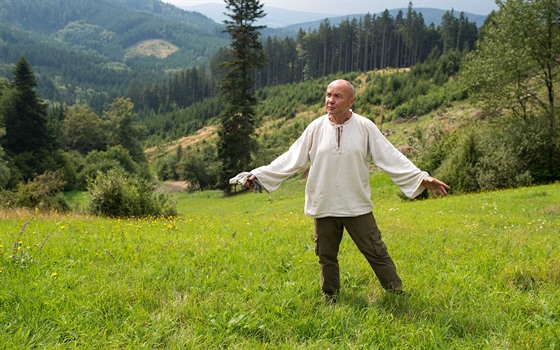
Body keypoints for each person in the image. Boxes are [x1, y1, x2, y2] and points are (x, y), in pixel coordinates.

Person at [237, 79, 449, 303]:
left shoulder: (365, 127)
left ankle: (396, 292)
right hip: (324, 204)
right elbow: (291, 159)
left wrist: (421, 177)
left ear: (351, 101)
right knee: (326, 255)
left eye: (337, 96)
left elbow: (390, 156)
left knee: (376, 251)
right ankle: (330, 296)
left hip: (356, 205)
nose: (330, 100)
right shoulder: (316, 128)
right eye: (328, 95)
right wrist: (259, 175)